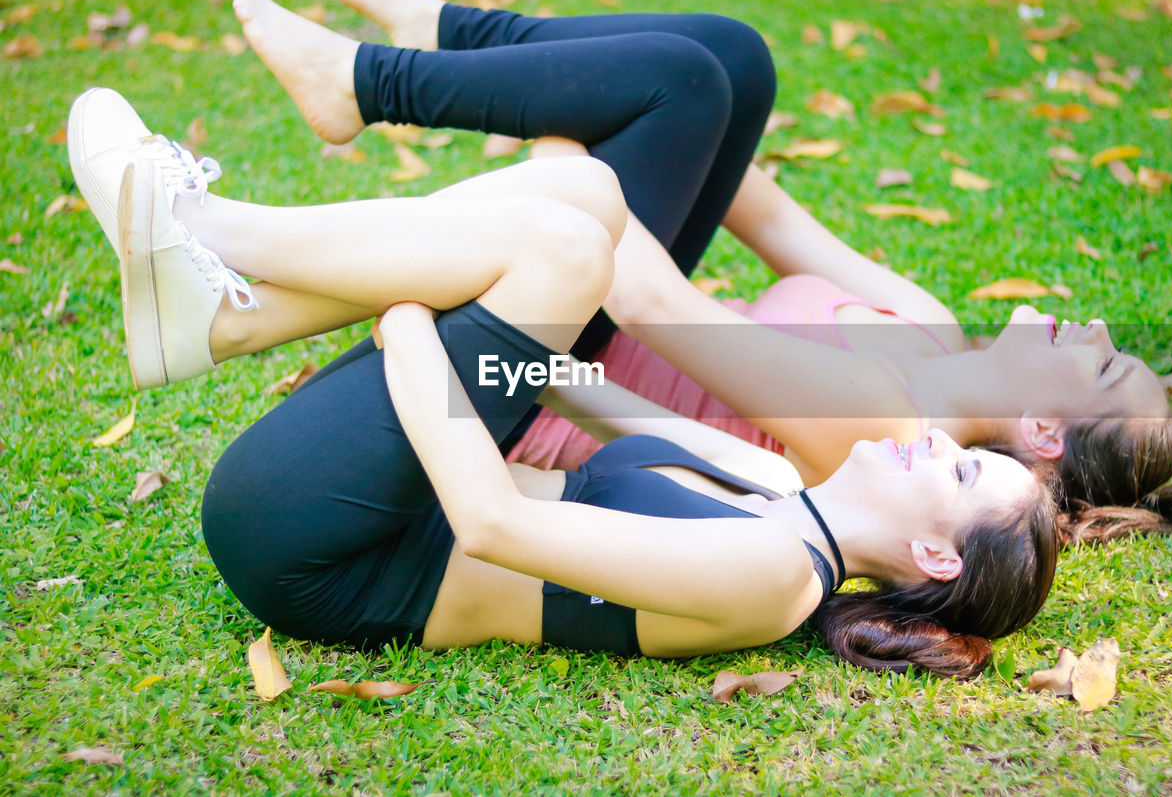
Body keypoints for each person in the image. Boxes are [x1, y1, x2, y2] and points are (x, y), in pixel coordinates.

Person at [221, 0, 1172, 547]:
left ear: (1041, 427)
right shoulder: (927, 332)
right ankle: (451, 38)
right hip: (593, 290)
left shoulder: (881, 419)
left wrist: (569, 135)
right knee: (727, 65)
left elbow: (640, 292)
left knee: (678, 87)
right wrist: (572, 99)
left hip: (531, 370)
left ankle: (378, 81)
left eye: (1099, 360)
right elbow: (766, 217)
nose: (1089, 325)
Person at [68, 89, 1059, 677]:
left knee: (558, 251)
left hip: (327, 549)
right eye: (969, 454)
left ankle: (213, 251)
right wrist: (454, 308)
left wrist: (416, 327)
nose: (939, 442)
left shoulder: (775, 577)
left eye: (963, 474)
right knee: (579, 205)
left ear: (932, 551)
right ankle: (214, 294)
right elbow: (570, 386)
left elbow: (495, 522)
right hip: (393, 485)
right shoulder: (780, 499)